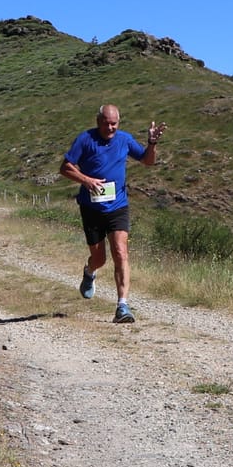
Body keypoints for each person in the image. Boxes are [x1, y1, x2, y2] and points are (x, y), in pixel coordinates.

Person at [60, 103, 165, 323]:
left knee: (121, 252)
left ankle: (122, 306)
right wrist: (87, 181)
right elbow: (65, 167)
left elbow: (147, 161)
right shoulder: (85, 139)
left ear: (119, 122)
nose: (110, 128)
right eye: (106, 123)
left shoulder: (124, 140)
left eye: (114, 124)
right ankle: (89, 271)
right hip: (91, 208)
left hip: (118, 205)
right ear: (98, 122)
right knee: (100, 258)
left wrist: (152, 143)